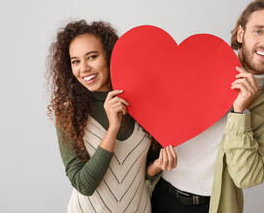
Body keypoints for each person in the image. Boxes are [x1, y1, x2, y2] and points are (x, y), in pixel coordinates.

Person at [151, 0, 264, 213]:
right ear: (240, 33)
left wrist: (240, 112)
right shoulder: (201, 64)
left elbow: (248, 177)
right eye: (258, 30)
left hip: (213, 205)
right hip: (156, 193)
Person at [46, 20, 177, 213]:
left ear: (109, 56)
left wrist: (156, 166)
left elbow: (139, 171)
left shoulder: (140, 103)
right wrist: (112, 128)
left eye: (92, 57)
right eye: (75, 61)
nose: (83, 68)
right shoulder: (69, 112)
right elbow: (84, 185)